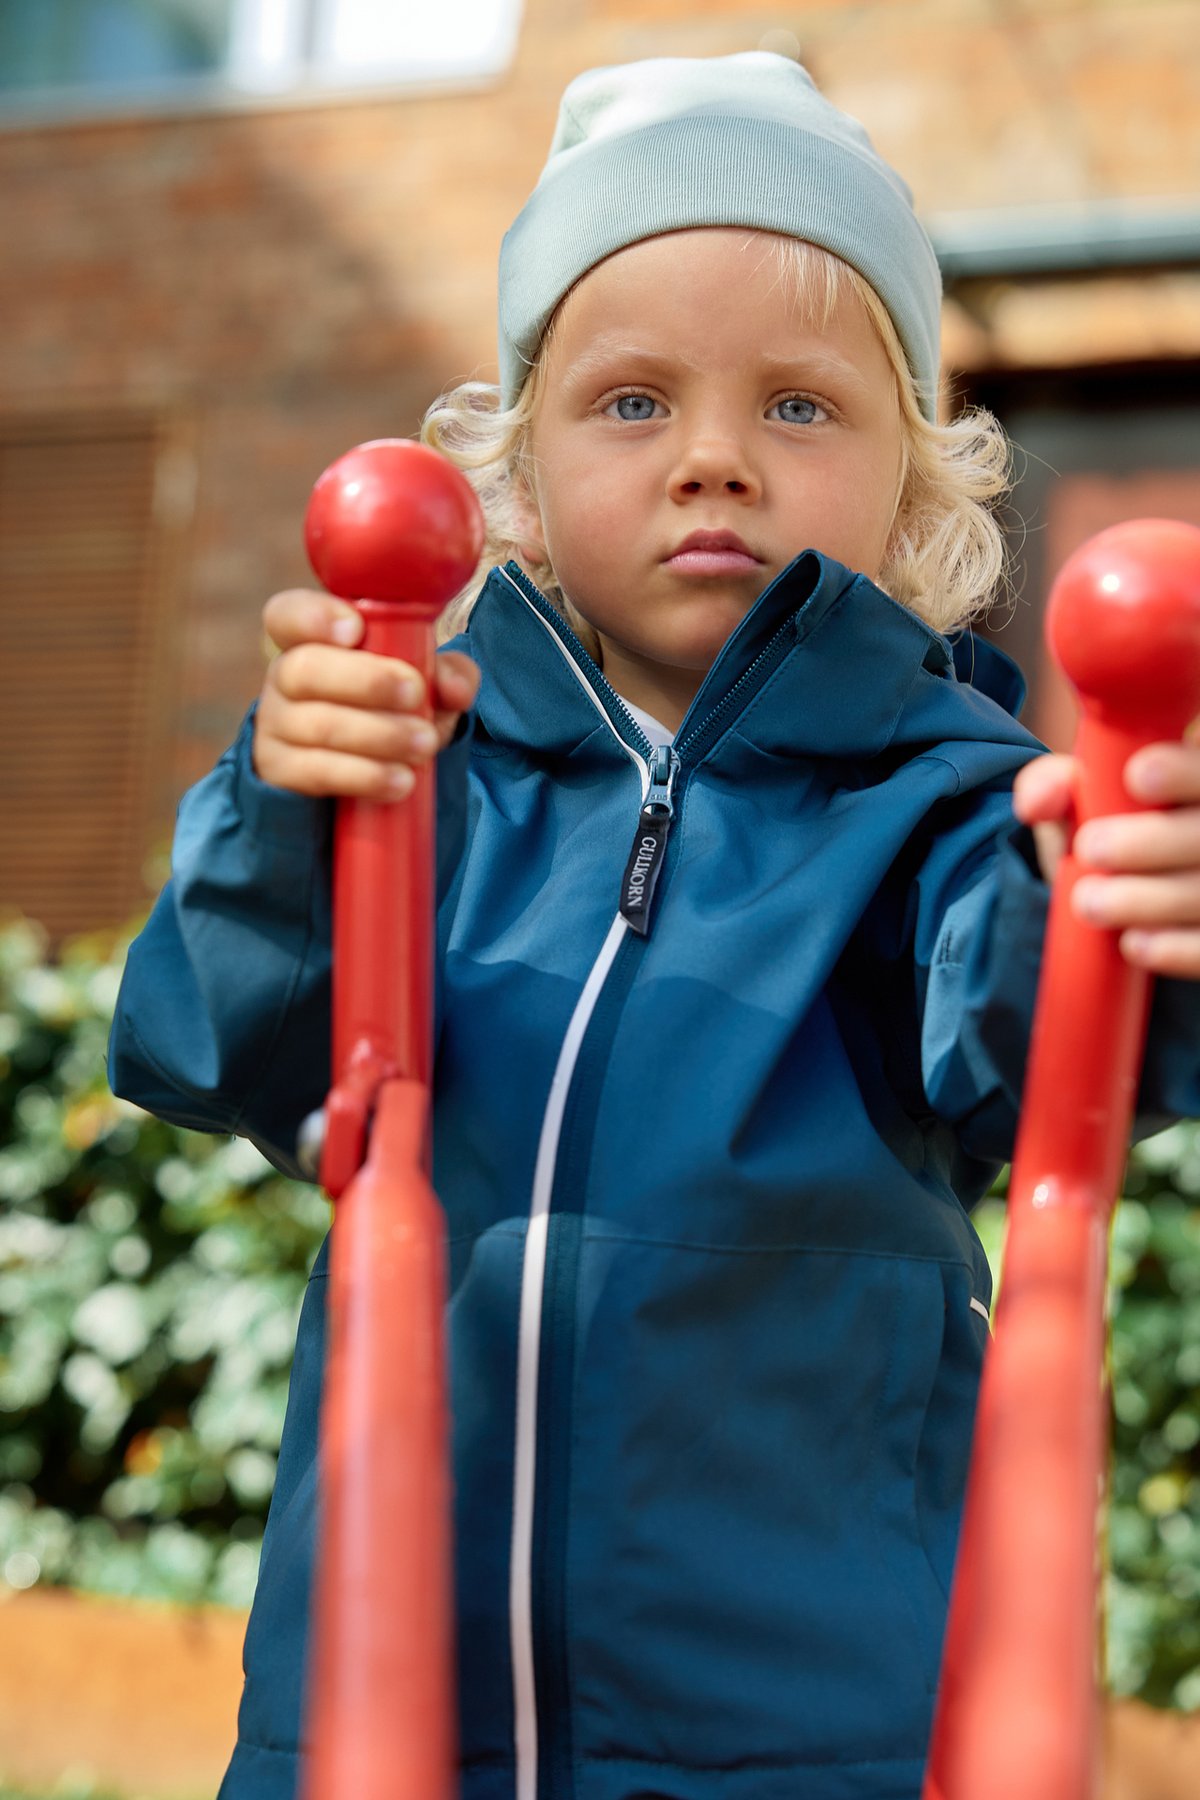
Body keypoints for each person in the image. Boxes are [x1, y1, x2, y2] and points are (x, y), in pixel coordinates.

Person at [109, 52, 1200, 1800]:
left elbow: (1029, 1042)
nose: (713, 459)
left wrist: (1114, 907)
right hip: (388, 1713)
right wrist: (282, 807)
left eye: (799, 407)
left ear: (916, 491)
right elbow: (215, 1041)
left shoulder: (941, 806)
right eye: (632, 403)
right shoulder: (418, 766)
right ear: (516, 478)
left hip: (796, 1741)